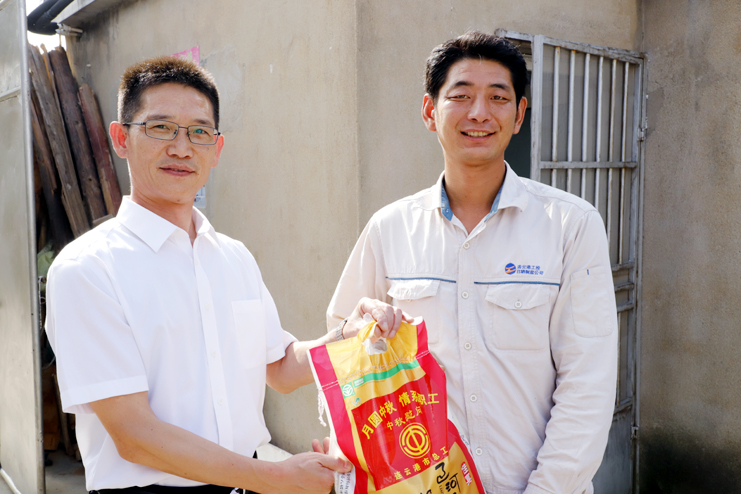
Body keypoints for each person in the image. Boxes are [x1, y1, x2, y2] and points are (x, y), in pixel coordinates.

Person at [45, 56, 406, 494]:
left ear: (216, 149)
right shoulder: (87, 270)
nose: (182, 148)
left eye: (199, 132)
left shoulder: (234, 257)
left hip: (246, 483)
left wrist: (350, 334)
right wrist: (276, 477)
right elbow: (134, 435)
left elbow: (279, 366)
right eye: (161, 127)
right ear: (121, 138)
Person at [327, 31, 618, 494]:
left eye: (498, 97)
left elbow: (588, 384)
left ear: (519, 115)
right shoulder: (390, 228)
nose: (479, 113)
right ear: (430, 111)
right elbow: (343, 358)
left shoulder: (570, 225)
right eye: (461, 95)